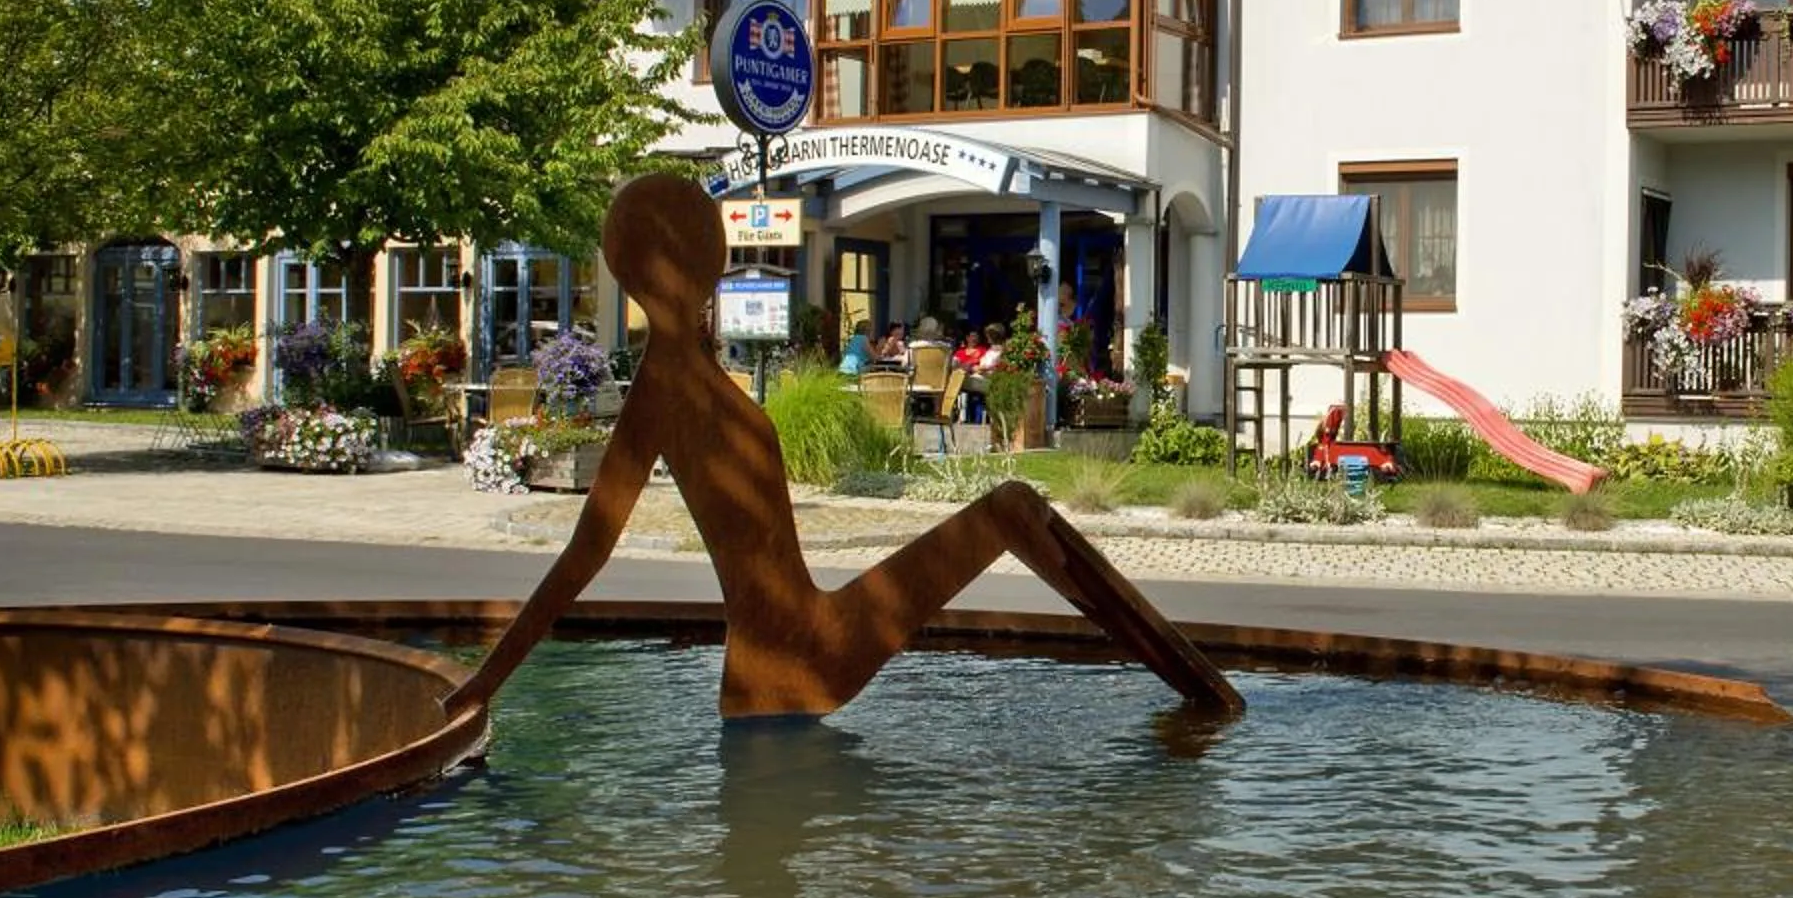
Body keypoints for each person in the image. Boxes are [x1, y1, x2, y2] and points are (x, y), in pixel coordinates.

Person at [452, 173, 1237, 721]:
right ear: (675, 265)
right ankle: (1207, 697)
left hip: (786, 656)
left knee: (1013, 509)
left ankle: (1198, 688)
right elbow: (586, 553)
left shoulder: (688, 372)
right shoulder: (665, 388)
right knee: (1011, 508)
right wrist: (483, 686)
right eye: (702, 244)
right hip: (804, 652)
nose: (716, 257)